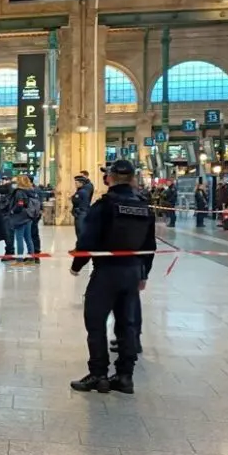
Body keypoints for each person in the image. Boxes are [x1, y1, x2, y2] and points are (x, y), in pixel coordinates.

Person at [70, 159, 156, 395]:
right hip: (132, 272)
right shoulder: (144, 206)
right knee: (127, 324)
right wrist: (144, 274)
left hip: (106, 272)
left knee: (95, 322)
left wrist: (77, 265)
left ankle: (98, 374)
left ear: (110, 178)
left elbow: (87, 240)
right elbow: (150, 245)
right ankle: (125, 376)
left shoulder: (105, 205)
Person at [9, 175, 40, 265]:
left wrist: (12, 211)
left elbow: (20, 203)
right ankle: (31, 259)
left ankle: (19, 261)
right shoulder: (31, 190)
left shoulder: (19, 192)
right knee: (28, 238)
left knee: (19, 239)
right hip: (28, 216)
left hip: (20, 217)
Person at [71, 172, 93, 239]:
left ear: (81, 183)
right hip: (82, 212)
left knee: (80, 231)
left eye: (76, 183)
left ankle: (81, 247)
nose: (75, 184)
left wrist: (73, 197)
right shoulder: (84, 190)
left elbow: (75, 201)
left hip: (80, 212)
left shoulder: (81, 191)